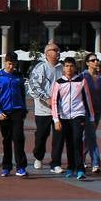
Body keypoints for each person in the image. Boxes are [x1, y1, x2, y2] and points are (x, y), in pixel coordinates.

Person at [51, 56, 96, 179]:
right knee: (69, 142)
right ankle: (70, 167)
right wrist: (56, 119)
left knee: (77, 140)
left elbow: (87, 99)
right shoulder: (59, 83)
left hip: (78, 115)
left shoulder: (81, 81)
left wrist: (91, 117)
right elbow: (54, 102)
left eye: (71, 66)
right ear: (63, 68)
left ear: (75, 68)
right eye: (66, 66)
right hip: (64, 116)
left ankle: (80, 168)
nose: (69, 68)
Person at [26, 43, 63, 172]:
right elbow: (33, 86)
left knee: (59, 136)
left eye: (58, 50)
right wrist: (46, 98)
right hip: (43, 109)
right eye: (55, 50)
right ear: (47, 53)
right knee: (41, 135)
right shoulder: (40, 67)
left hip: (59, 110)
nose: (57, 52)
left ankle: (55, 163)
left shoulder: (62, 68)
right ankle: (38, 157)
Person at [0, 52, 29, 176]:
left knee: (19, 138)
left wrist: (24, 109)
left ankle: (21, 167)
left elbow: (22, 93)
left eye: (13, 64)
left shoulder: (19, 76)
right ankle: (6, 166)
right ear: (5, 63)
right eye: (9, 64)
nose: (11, 67)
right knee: (7, 140)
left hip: (18, 111)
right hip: (4, 112)